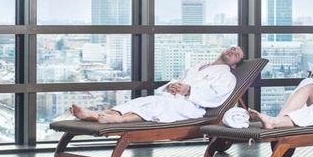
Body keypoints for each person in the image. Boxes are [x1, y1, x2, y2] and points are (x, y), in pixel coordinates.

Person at [71, 46, 245, 124]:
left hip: (191, 108)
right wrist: (172, 86)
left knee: (159, 105)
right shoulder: (198, 66)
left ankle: (119, 119)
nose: (233, 51)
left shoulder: (228, 77)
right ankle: (95, 115)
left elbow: (216, 97)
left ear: (234, 64)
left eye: (236, 54)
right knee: (140, 102)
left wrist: (189, 90)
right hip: (173, 98)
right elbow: (179, 79)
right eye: (232, 48)